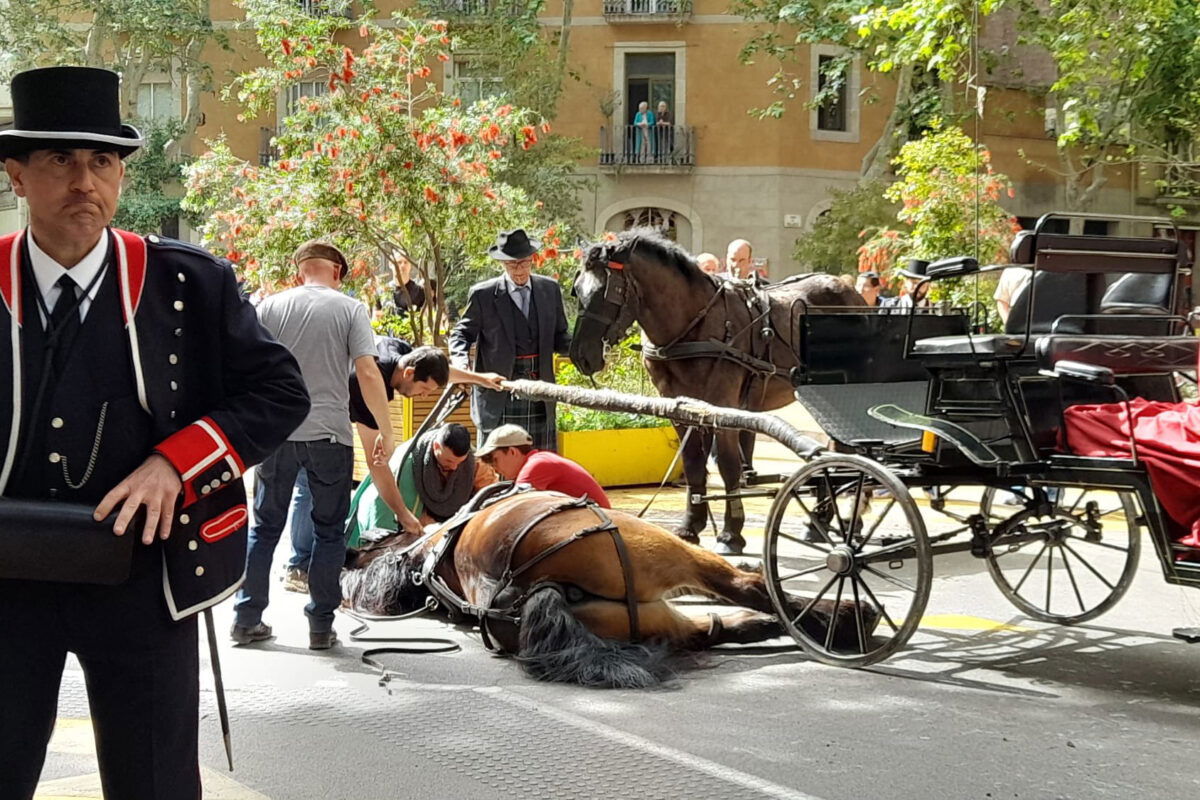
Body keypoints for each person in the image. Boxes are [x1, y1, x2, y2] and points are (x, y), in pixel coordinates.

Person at [0, 66, 310, 799]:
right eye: (59, 160)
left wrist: (178, 463)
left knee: (154, 781)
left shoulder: (187, 281)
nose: (85, 181)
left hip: (146, 578)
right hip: (5, 584)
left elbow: (279, 391)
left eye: (102, 161)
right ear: (16, 176)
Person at [233, 240, 396, 651]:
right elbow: (368, 371)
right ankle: (321, 628)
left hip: (277, 434)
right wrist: (385, 429)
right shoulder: (350, 309)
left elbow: (245, 367)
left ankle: (246, 619)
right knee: (328, 534)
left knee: (265, 527)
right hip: (329, 436)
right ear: (337, 273)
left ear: (298, 271)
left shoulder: (269, 307)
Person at [282, 341, 503, 592]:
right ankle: (298, 566)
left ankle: (319, 558)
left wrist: (479, 379)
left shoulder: (397, 351)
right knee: (309, 487)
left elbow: (434, 368)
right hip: (307, 418)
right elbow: (378, 466)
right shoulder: (367, 389)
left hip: (329, 413)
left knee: (332, 489)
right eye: (424, 389)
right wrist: (402, 513)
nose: (425, 395)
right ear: (409, 374)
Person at [450, 228, 571, 452]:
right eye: (512, 264)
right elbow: (461, 334)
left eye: (524, 263)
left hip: (540, 394)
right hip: (499, 394)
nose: (519, 270)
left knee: (540, 464)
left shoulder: (549, 290)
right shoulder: (483, 294)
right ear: (502, 264)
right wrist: (460, 363)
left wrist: (584, 350)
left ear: (532, 260)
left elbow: (561, 337)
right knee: (496, 469)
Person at [346, 423, 498, 543]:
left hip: (454, 523)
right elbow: (387, 509)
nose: (454, 467)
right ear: (436, 447)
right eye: (449, 461)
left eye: (460, 462)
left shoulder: (474, 463)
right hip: (416, 524)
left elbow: (490, 494)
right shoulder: (407, 464)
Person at [477, 424, 611, 508]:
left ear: (513, 452)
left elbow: (513, 504)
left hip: (597, 523)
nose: (494, 467)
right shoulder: (539, 460)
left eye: (495, 459)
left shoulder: (536, 465)